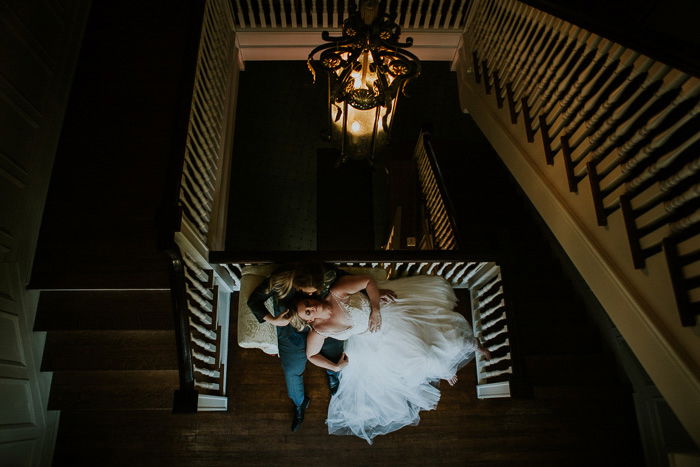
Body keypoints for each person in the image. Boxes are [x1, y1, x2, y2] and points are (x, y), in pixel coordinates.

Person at [291, 273, 491, 444]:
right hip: (370, 339)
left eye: (308, 303)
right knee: (418, 360)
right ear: (308, 320)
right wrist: (335, 367)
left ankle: (470, 345)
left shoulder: (336, 293)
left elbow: (368, 281)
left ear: (312, 297)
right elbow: (311, 355)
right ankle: (443, 364)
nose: (311, 308)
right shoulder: (319, 330)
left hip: (387, 313)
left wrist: (376, 308)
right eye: (307, 312)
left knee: (429, 338)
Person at [247, 262, 396, 432]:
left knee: (334, 354)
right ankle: (299, 403)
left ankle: (332, 374)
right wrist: (273, 320)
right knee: (292, 369)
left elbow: (349, 283)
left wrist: (371, 297)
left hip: (323, 322)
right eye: (308, 291)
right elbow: (254, 301)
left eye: (315, 291)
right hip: (290, 328)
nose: (312, 294)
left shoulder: (327, 274)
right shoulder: (279, 280)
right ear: (295, 282)